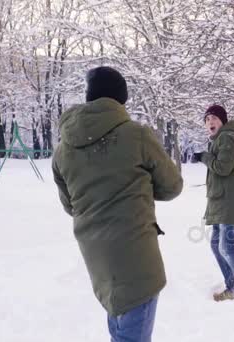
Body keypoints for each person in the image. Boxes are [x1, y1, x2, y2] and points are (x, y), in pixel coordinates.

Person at [52, 66, 183, 341]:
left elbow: (71, 205)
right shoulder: (137, 135)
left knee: (118, 324)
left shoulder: (63, 150)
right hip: (136, 255)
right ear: (120, 100)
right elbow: (172, 186)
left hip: (97, 256)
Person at [192, 104, 234, 303]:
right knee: (216, 245)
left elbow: (222, 168)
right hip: (222, 202)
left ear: (223, 120)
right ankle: (233, 286)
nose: (210, 122)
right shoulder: (221, 139)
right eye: (207, 119)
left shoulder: (227, 138)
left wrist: (204, 156)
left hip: (230, 203)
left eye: (214, 118)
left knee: (228, 247)